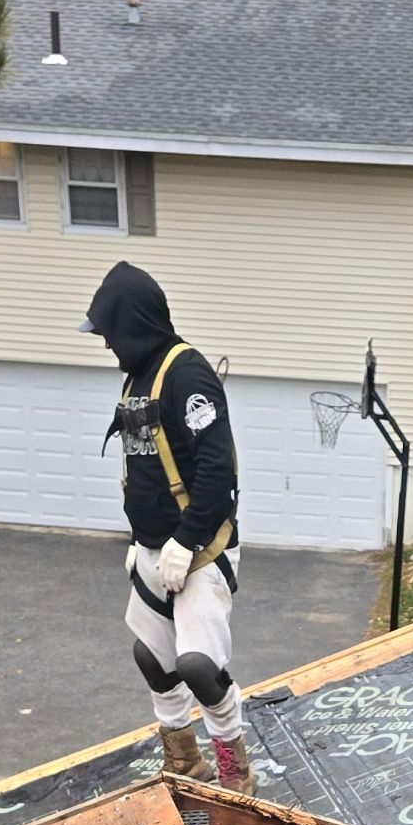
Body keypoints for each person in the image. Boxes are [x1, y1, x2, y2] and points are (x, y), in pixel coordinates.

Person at [84, 263, 250, 787]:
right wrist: (142, 541)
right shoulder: (138, 378)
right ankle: (184, 758)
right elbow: (146, 467)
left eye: (109, 332)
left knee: (198, 665)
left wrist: (186, 539)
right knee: (152, 657)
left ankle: (235, 769)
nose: (107, 343)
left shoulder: (187, 376)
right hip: (154, 549)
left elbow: (217, 471)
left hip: (199, 548)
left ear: (132, 323)